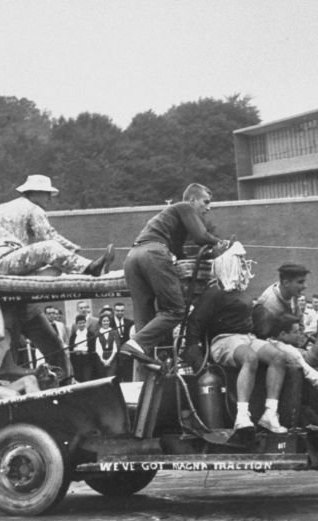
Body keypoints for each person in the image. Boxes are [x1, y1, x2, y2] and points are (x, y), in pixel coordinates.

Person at [185, 243, 289, 433]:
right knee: (250, 358)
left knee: (278, 357)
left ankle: (270, 414)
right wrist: (196, 356)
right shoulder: (214, 292)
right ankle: (242, 416)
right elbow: (194, 323)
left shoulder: (241, 290)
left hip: (246, 337)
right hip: (224, 340)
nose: (244, 265)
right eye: (239, 261)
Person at [121, 183, 224, 366]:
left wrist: (208, 254)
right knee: (176, 310)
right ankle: (136, 344)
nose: (209, 208)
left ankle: (145, 362)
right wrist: (221, 244)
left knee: (144, 317)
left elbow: (179, 253)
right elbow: (201, 237)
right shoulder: (183, 207)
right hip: (153, 253)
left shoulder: (170, 221)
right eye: (205, 202)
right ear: (192, 200)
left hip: (132, 256)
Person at [0, 175, 112, 277]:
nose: (49, 198)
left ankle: (83, 268)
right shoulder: (34, 209)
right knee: (49, 248)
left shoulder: (4, 206)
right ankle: (91, 268)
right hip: (5, 263)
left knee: (53, 269)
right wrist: (71, 248)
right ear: (36, 192)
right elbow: (48, 238)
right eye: (47, 194)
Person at [252, 263, 309, 339]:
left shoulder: (291, 293)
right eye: (300, 282)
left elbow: (299, 319)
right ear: (286, 283)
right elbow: (260, 339)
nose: (305, 286)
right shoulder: (267, 306)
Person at [68, 314, 97, 382]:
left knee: (87, 378)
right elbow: (71, 348)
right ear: (76, 324)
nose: (82, 325)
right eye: (79, 323)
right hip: (77, 361)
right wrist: (77, 350)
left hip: (87, 360)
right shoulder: (74, 335)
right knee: (78, 379)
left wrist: (80, 349)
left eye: (83, 323)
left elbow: (92, 347)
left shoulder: (90, 334)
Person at [96, 313, 120, 377]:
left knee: (111, 376)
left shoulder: (114, 332)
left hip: (112, 356)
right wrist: (103, 360)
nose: (106, 323)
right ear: (101, 322)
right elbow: (98, 348)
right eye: (104, 321)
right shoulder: (98, 333)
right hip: (101, 357)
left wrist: (109, 360)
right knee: (102, 377)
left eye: (107, 321)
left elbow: (115, 348)